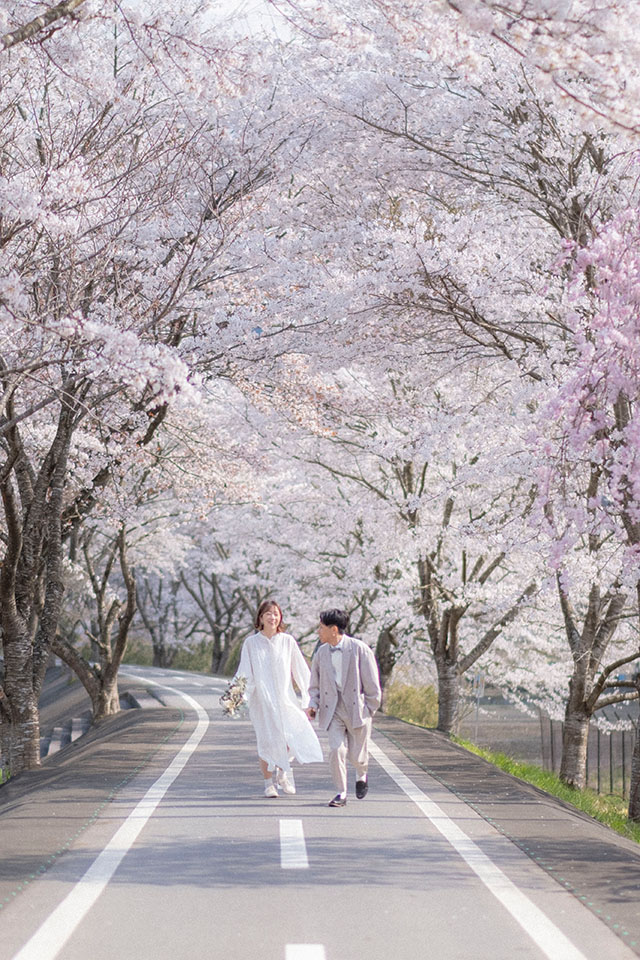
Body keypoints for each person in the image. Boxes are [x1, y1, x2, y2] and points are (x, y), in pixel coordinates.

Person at [236, 600, 323, 798]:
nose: (272, 617)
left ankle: (283, 772)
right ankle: (268, 783)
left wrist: (309, 699)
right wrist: (238, 697)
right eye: (268, 613)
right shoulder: (251, 643)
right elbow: (245, 672)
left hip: (286, 699)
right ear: (260, 617)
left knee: (291, 736)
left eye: (276, 613)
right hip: (263, 702)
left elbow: (301, 670)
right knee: (266, 741)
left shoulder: (287, 641)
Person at [306, 608, 381, 807]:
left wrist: (370, 710)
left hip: (357, 709)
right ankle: (341, 792)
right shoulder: (321, 653)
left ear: (334, 630)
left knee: (357, 757)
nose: (318, 632)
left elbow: (373, 685)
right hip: (333, 710)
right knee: (336, 750)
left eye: (321, 628)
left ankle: (361, 774)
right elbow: (314, 684)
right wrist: (313, 705)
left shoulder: (360, 649)